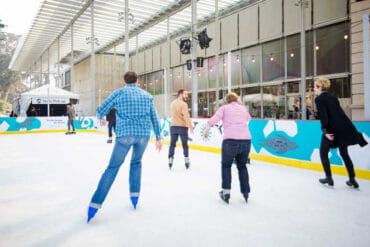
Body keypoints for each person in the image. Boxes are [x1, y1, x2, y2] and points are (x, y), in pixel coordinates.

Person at [87, 71, 163, 223]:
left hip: (124, 135)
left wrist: (101, 118)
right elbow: (154, 117)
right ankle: (134, 196)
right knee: (136, 163)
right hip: (143, 135)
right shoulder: (147, 96)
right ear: (137, 80)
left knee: (113, 168)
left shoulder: (119, 93)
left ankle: (95, 204)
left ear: (124, 81)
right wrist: (159, 138)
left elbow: (101, 109)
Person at [314, 78, 367, 188]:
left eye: (315, 86)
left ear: (320, 87)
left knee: (323, 153)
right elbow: (338, 114)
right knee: (344, 154)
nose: (314, 89)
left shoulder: (319, 99)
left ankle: (329, 178)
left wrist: (325, 131)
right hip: (344, 128)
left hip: (332, 130)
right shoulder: (333, 98)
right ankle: (352, 179)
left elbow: (324, 116)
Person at [204, 92, 252, 204]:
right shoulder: (243, 108)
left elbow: (214, 119)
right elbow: (248, 118)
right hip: (246, 141)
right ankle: (246, 192)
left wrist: (207, 129)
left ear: (227, 101)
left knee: (226, 166)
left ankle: (226, 192)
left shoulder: (224, 108)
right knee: (242, 166)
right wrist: (240, 105)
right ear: (236, 100)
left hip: (230, 141)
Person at [168, 89, 194, 169]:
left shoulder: (172, 103)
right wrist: (191, 127)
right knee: (185, 145)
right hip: (182, 127)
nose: (187, 96)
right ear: (180, 94)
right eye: (185, 94)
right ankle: (186, 160)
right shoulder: (183, 104)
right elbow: (186, 116)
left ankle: (170, 159)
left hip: (173, 127)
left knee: (172, 144)